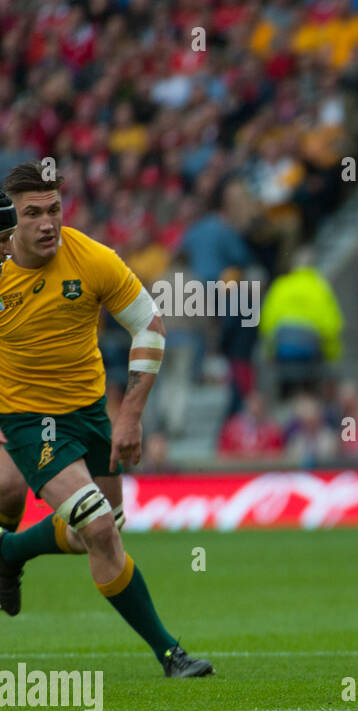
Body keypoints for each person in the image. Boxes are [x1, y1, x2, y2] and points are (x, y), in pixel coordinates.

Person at [0, 164, 211, 676]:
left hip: (93, 414)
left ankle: (10, 552)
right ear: (10, 224)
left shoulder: (92, 258)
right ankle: (170, 653)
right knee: (96, 526)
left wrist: (131, 415)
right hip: (31, 420)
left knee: (98, 531)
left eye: (54, 209)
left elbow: (150, 325)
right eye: (33, 214)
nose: (48, 223)